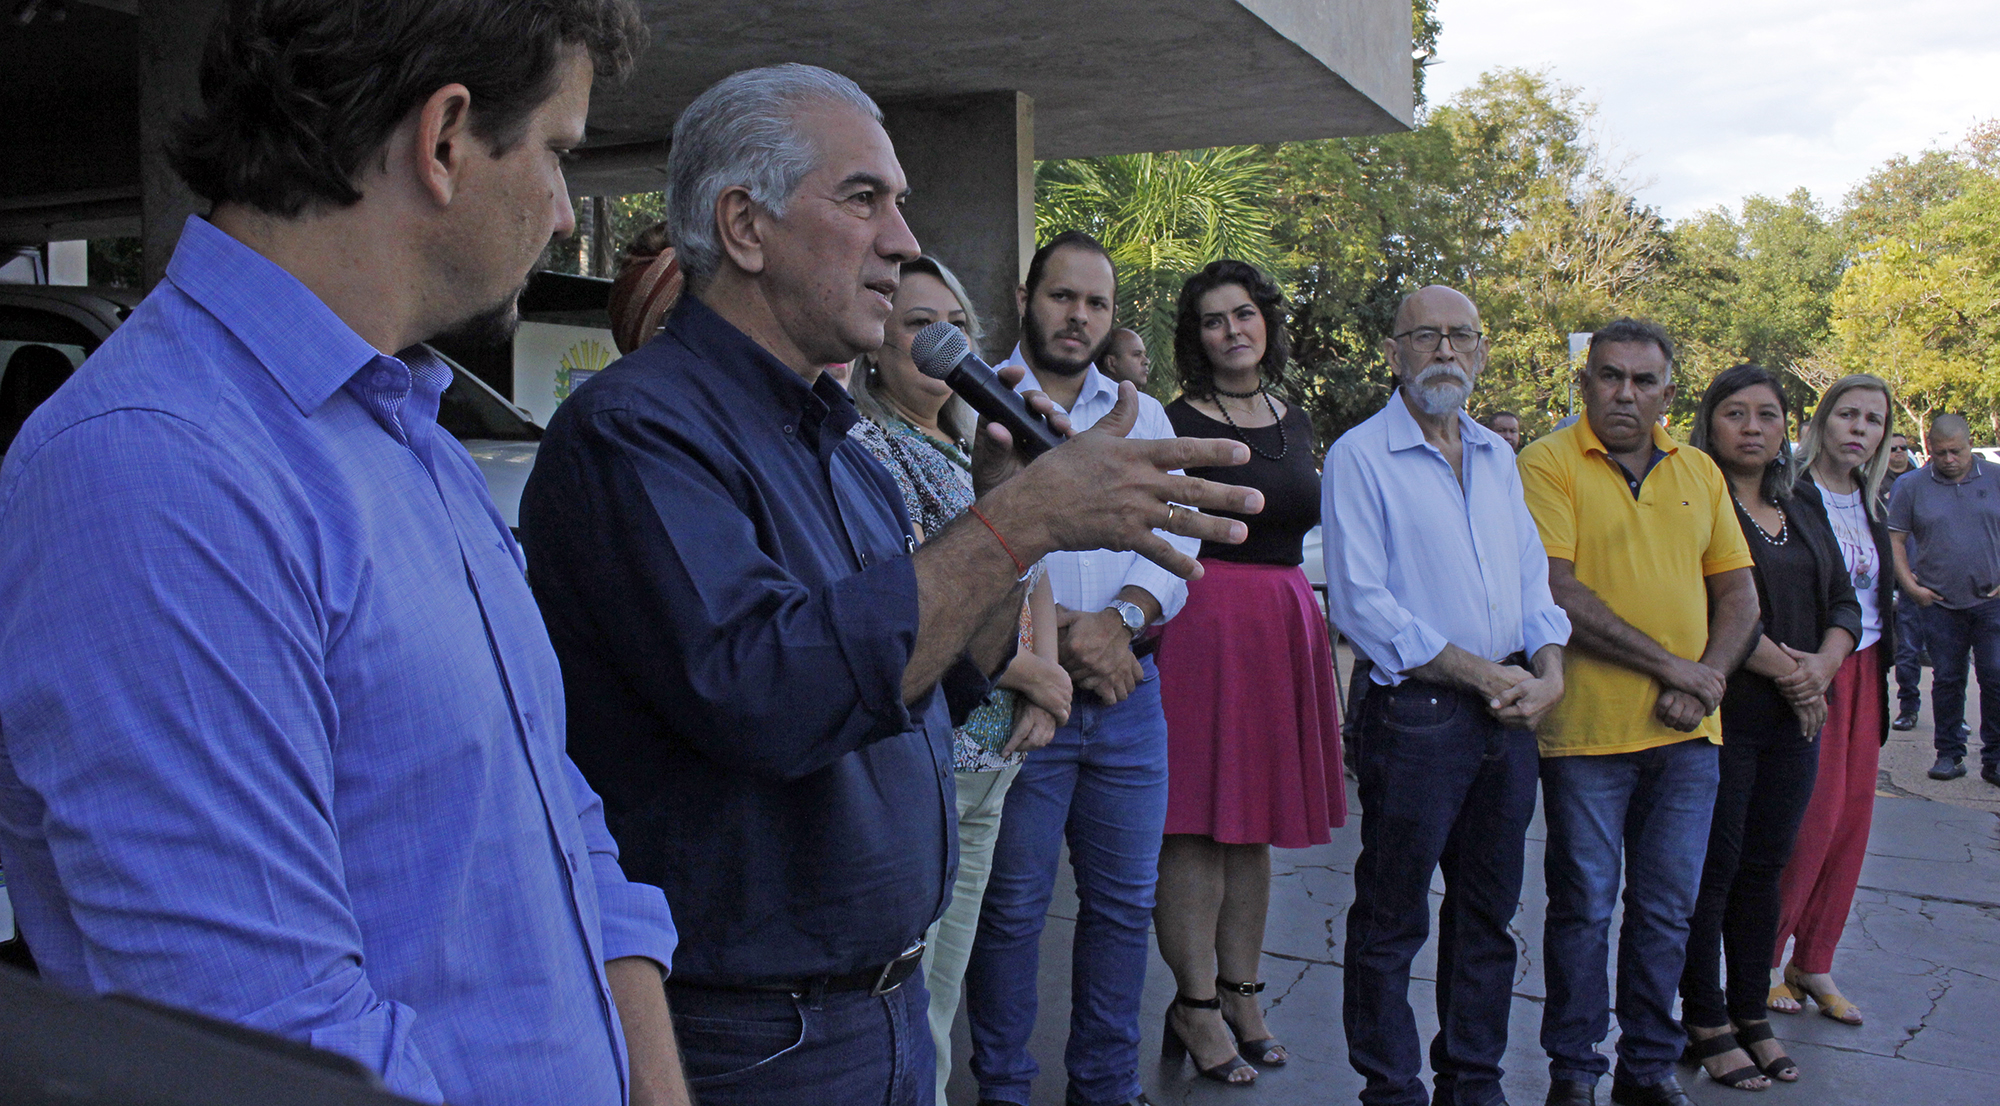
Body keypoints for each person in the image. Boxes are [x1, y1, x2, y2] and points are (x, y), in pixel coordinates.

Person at [518, 68, 1260, 1106]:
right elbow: (771, 690)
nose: (903, 237)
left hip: (886, 1011)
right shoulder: (635, 431)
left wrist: (1000, 530)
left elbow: (936, 682)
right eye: (863, 198)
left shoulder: (847, 451)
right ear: (744, 225)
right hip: (752, 1038)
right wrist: (1022, 519)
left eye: (899, 202)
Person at [0, 3, 692, 1104]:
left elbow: (563, 833)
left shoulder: (407, 434)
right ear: (445, 138)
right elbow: (274, 1051)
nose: (567, 215)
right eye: (559, 153)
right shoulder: (155, 471)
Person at [1323, 285, 1569, 1106]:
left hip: (1510, 713)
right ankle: (1391, 1087)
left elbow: (1533, 580)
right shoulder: (1360, 455)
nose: (1445, 351)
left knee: (1488, 914)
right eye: (1425, 336)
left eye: (1461, 336)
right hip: (1420, 713)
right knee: (1392, 915)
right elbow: (1361, 602)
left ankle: (1473, 1081)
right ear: (1392, 352)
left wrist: (1550, 668)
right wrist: (1476, 670)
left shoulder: (1500, 459)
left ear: (1482, 352)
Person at [963, 231, 1193, 1106]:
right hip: (1021, 698)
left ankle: (1104, 1086)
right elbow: (967, 543)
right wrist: (1058, 641)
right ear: (1028, 297)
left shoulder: (1140, 411)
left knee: (1125, 906)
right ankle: (1006, 1090)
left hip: (1127, 694)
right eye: (1064, 297)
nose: (1080, 317)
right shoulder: (980, 399)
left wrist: (1120, 623)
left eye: (1096, 304)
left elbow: (1172, 533)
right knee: (1011, 911)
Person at [846, 253, 1072, 1106]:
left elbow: (1032, 562)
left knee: (942, 1000)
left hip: (995, 758)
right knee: (907, 1009)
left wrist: (1045, 673)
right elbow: (911, 595)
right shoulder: (866, 448)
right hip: (932, 754)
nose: (936, 340)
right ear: (875, 345)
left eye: (954, 327)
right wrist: (1029, 673)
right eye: (914, 324)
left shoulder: (974, 443)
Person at [1517, 318, 1759, 1106]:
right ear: (1583, 383)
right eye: (1610, 376)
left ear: (1668, 392)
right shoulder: (1546, 463)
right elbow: (1559, 590)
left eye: (1643, 380)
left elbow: (1738, 595)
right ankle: (1576, 1072)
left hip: (1690, 737)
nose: (1626, 393)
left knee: (1667, 911)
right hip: (1585, 735)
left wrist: (1709, 682)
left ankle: (1648, 1069)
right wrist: (1675, 668)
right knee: (1583, 908)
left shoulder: (1701, 472)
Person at [1152, 260, 1347, 1087]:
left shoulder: (1294, 419)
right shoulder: (1169, 420)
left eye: (1244, 315)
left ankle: (1242, 994)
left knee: (1253, 824)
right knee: (1195, 824)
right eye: (1212, 320)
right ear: (1195, 338)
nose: (1233, 330)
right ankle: (1194, 1005)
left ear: (1266, 322)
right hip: (1203, 619)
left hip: (1283, 616)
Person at [1677, 366, 1859, 1090]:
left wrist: (1822, 667)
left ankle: (1751, 1012)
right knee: (1712, 872)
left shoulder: (1802, 501)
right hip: (1725, 716)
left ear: (1787, 428)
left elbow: (1845, 601)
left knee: (1766, 871)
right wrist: (1790, 671)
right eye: (1735, 413)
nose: (1752, 427)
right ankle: (1704, 1015)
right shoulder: (1693, 499)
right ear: (1709, 423)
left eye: (1768, 415)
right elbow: (1701, 604)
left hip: (1797, 721)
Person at [1767, 373, 1899, 1028]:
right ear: (1821, 422)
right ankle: (1763, 957)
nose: (1859, 429)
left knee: (1850, 823)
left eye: (1872, 421)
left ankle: (1813, 959)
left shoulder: (1872, 502)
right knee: (1807, 823)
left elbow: (1877, 599)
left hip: (1866, 668)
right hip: (1812, 667)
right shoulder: (1790, 492)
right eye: (1848, 415)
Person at [1889, 414, 2000, 785]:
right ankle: (1949, 754)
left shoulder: (1996, 478)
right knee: (1948, 679)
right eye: (1940, 453)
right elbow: (1895, 541)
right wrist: (1911, 587)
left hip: (1990, 601)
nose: (1949, 459)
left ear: (1971, 444)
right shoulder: (1912, 486)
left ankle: (1995, 758)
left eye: (1956, 451)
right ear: (1930, 450)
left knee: (1996, 677)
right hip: (1938, 602)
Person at [1884, 433, 1926, 729]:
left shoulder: (1924, 482)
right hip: (1903, 579)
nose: (1899, 453)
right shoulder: (1875, 484)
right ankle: (1907, 708)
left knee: (1950, 662)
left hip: (1937, 580)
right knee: (1907, 650)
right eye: (1893, 448)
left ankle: (1955, 719)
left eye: (1903, 448)